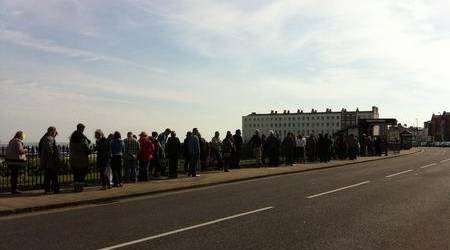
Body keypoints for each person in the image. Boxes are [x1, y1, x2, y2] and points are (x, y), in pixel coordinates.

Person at [69, 124, 91, 192]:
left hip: (73, 159)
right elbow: (87, 149)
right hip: (82, 159)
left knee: (76, 174)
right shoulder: (83, 138)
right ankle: (80, 187)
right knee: (81, 173)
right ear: (81, 129)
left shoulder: (72, 138)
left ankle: (76, 187)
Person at [39, 127, 60, 193]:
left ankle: (48, 189)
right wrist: (55, 156)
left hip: (46, 160)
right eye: (55, 132)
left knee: (48, 175)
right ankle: (54, 189)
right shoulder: (49, 138)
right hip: (50, 160)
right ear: (52, 131)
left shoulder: (44, 138)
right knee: (53, 175)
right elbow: (50, 149)